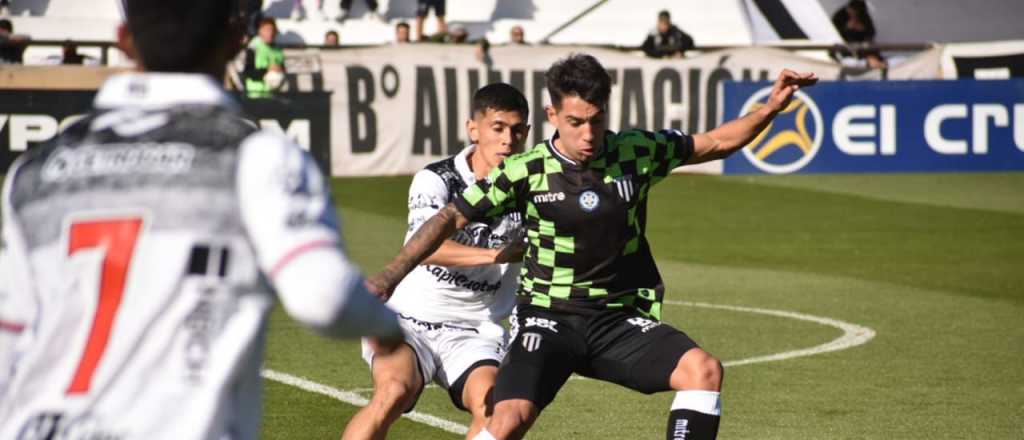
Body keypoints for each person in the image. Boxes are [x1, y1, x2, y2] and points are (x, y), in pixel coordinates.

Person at [0, 0, 403, 438]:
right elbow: (323, 298)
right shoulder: (255, 155)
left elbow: (10, 340)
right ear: (236, 41)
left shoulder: (35, 170)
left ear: (123, 42)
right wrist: (388, 329)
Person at [367, 53, 817, 440]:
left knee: (704, 371)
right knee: (506, 421)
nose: (587, 134)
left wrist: (772, 107)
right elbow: (449, 218)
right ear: (552, 114)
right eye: (575, 122)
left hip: (615, 322)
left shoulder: (635, 152)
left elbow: (717, 142)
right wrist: (391, 274)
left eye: (596, 121)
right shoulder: (525, 170)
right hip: (547, 319)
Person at [341, 83, 530, 440]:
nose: (508, 140)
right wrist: (495, 255)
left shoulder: (532, 186)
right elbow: (424, 246)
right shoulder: (438, 178)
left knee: (493, 412)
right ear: (473, 129)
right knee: (392, 392)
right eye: (498, 128)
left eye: (517, 130)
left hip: (475, 328)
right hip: (410, 319)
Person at [830, 0, 886, 68]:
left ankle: (876, 62)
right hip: (849, 49)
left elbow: (870, 33)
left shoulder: (864, 17)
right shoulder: (840, 17)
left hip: (864, 48)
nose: (852, 14)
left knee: (873, 55)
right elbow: (840, 37)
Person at [244, 17, 286, 98]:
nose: (270, 33)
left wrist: (279, 70)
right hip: (255, 95)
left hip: (273, 95)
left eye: (272, 30)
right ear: (260, 31)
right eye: (267, 30)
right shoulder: (254, 47)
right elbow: (248, 73)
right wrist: (267, 70)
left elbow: (283, 70)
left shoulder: (278, 50)